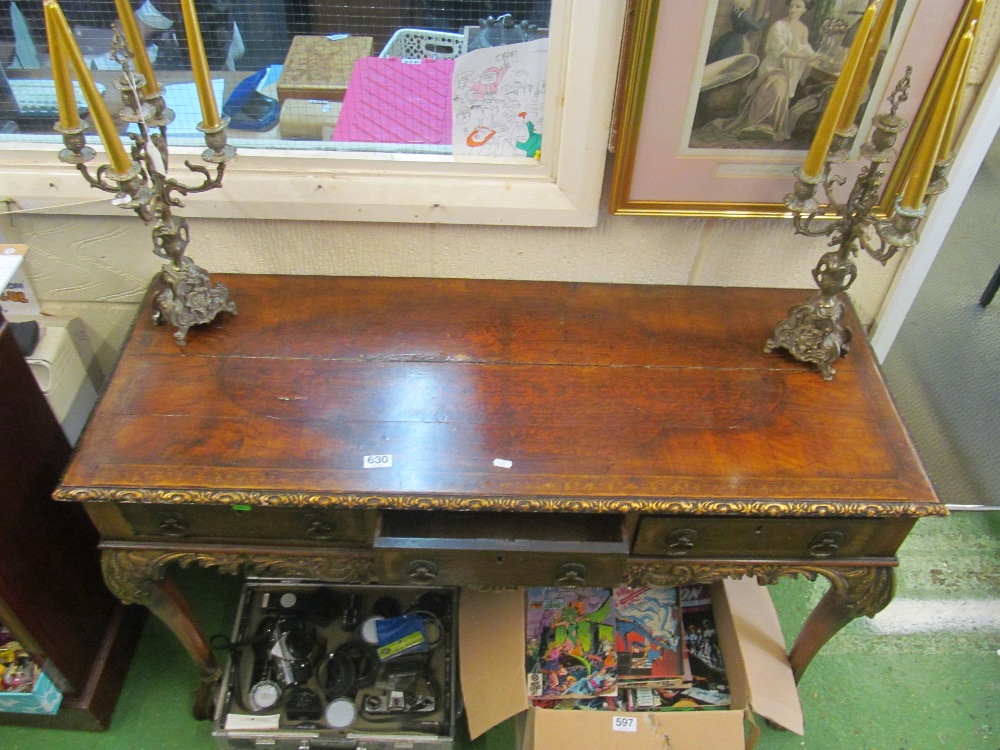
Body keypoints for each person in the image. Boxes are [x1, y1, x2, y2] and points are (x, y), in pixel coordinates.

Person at [695, 0, 818, 144]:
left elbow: (805, 47)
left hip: (790, 70)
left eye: (798, 7)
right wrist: (805, 55)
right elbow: (781, 51)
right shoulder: (778, 26)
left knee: (783, 88)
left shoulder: (803, 28)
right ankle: (758, 123)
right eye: (791, 6)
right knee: (777, 89)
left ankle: (770, 127)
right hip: (773, 68)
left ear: (804, 9)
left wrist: (814, 54)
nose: (793, 9)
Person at [706, 0, 767, 64]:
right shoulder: (745, 15)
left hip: (731, 35)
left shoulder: (735, 10)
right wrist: (764, 19)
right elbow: (757, 27)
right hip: (738, 39)